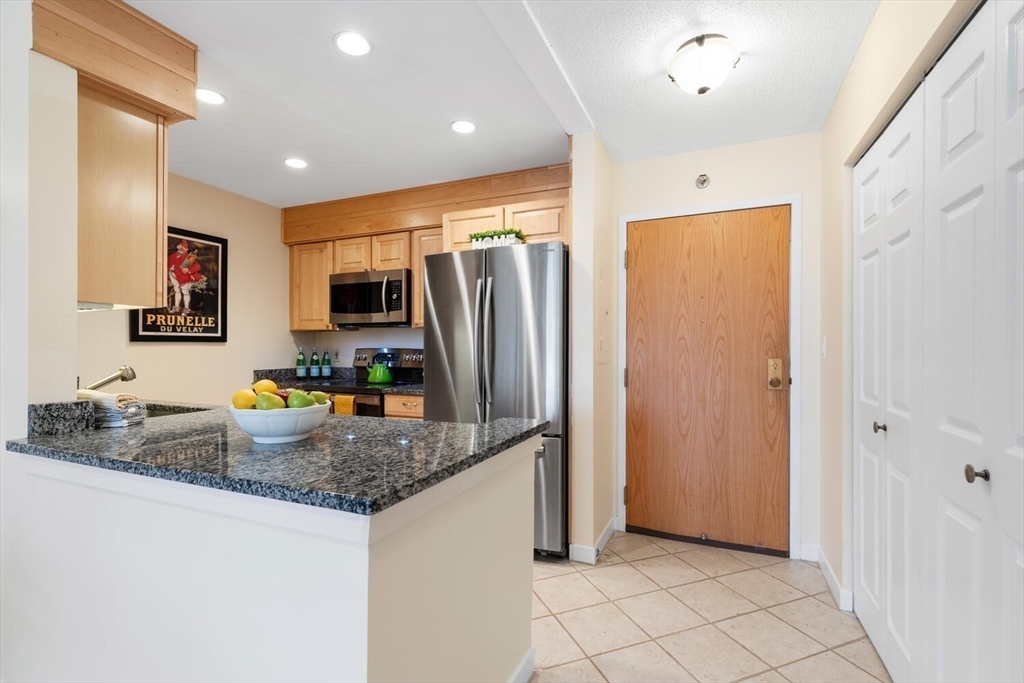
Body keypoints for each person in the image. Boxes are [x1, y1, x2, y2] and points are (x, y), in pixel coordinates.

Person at [167, 239, 203, 314]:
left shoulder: (189, 257)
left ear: (185, 249)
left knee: (185, 291)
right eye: (180, 248)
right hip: (173, 275)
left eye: (182, 249)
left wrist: (188, 270)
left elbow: (197, 266)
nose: (180, 250)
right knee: (177, 290)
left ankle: (186, 309)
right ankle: (176, 307)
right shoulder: (173, 256)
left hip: (184, 277)